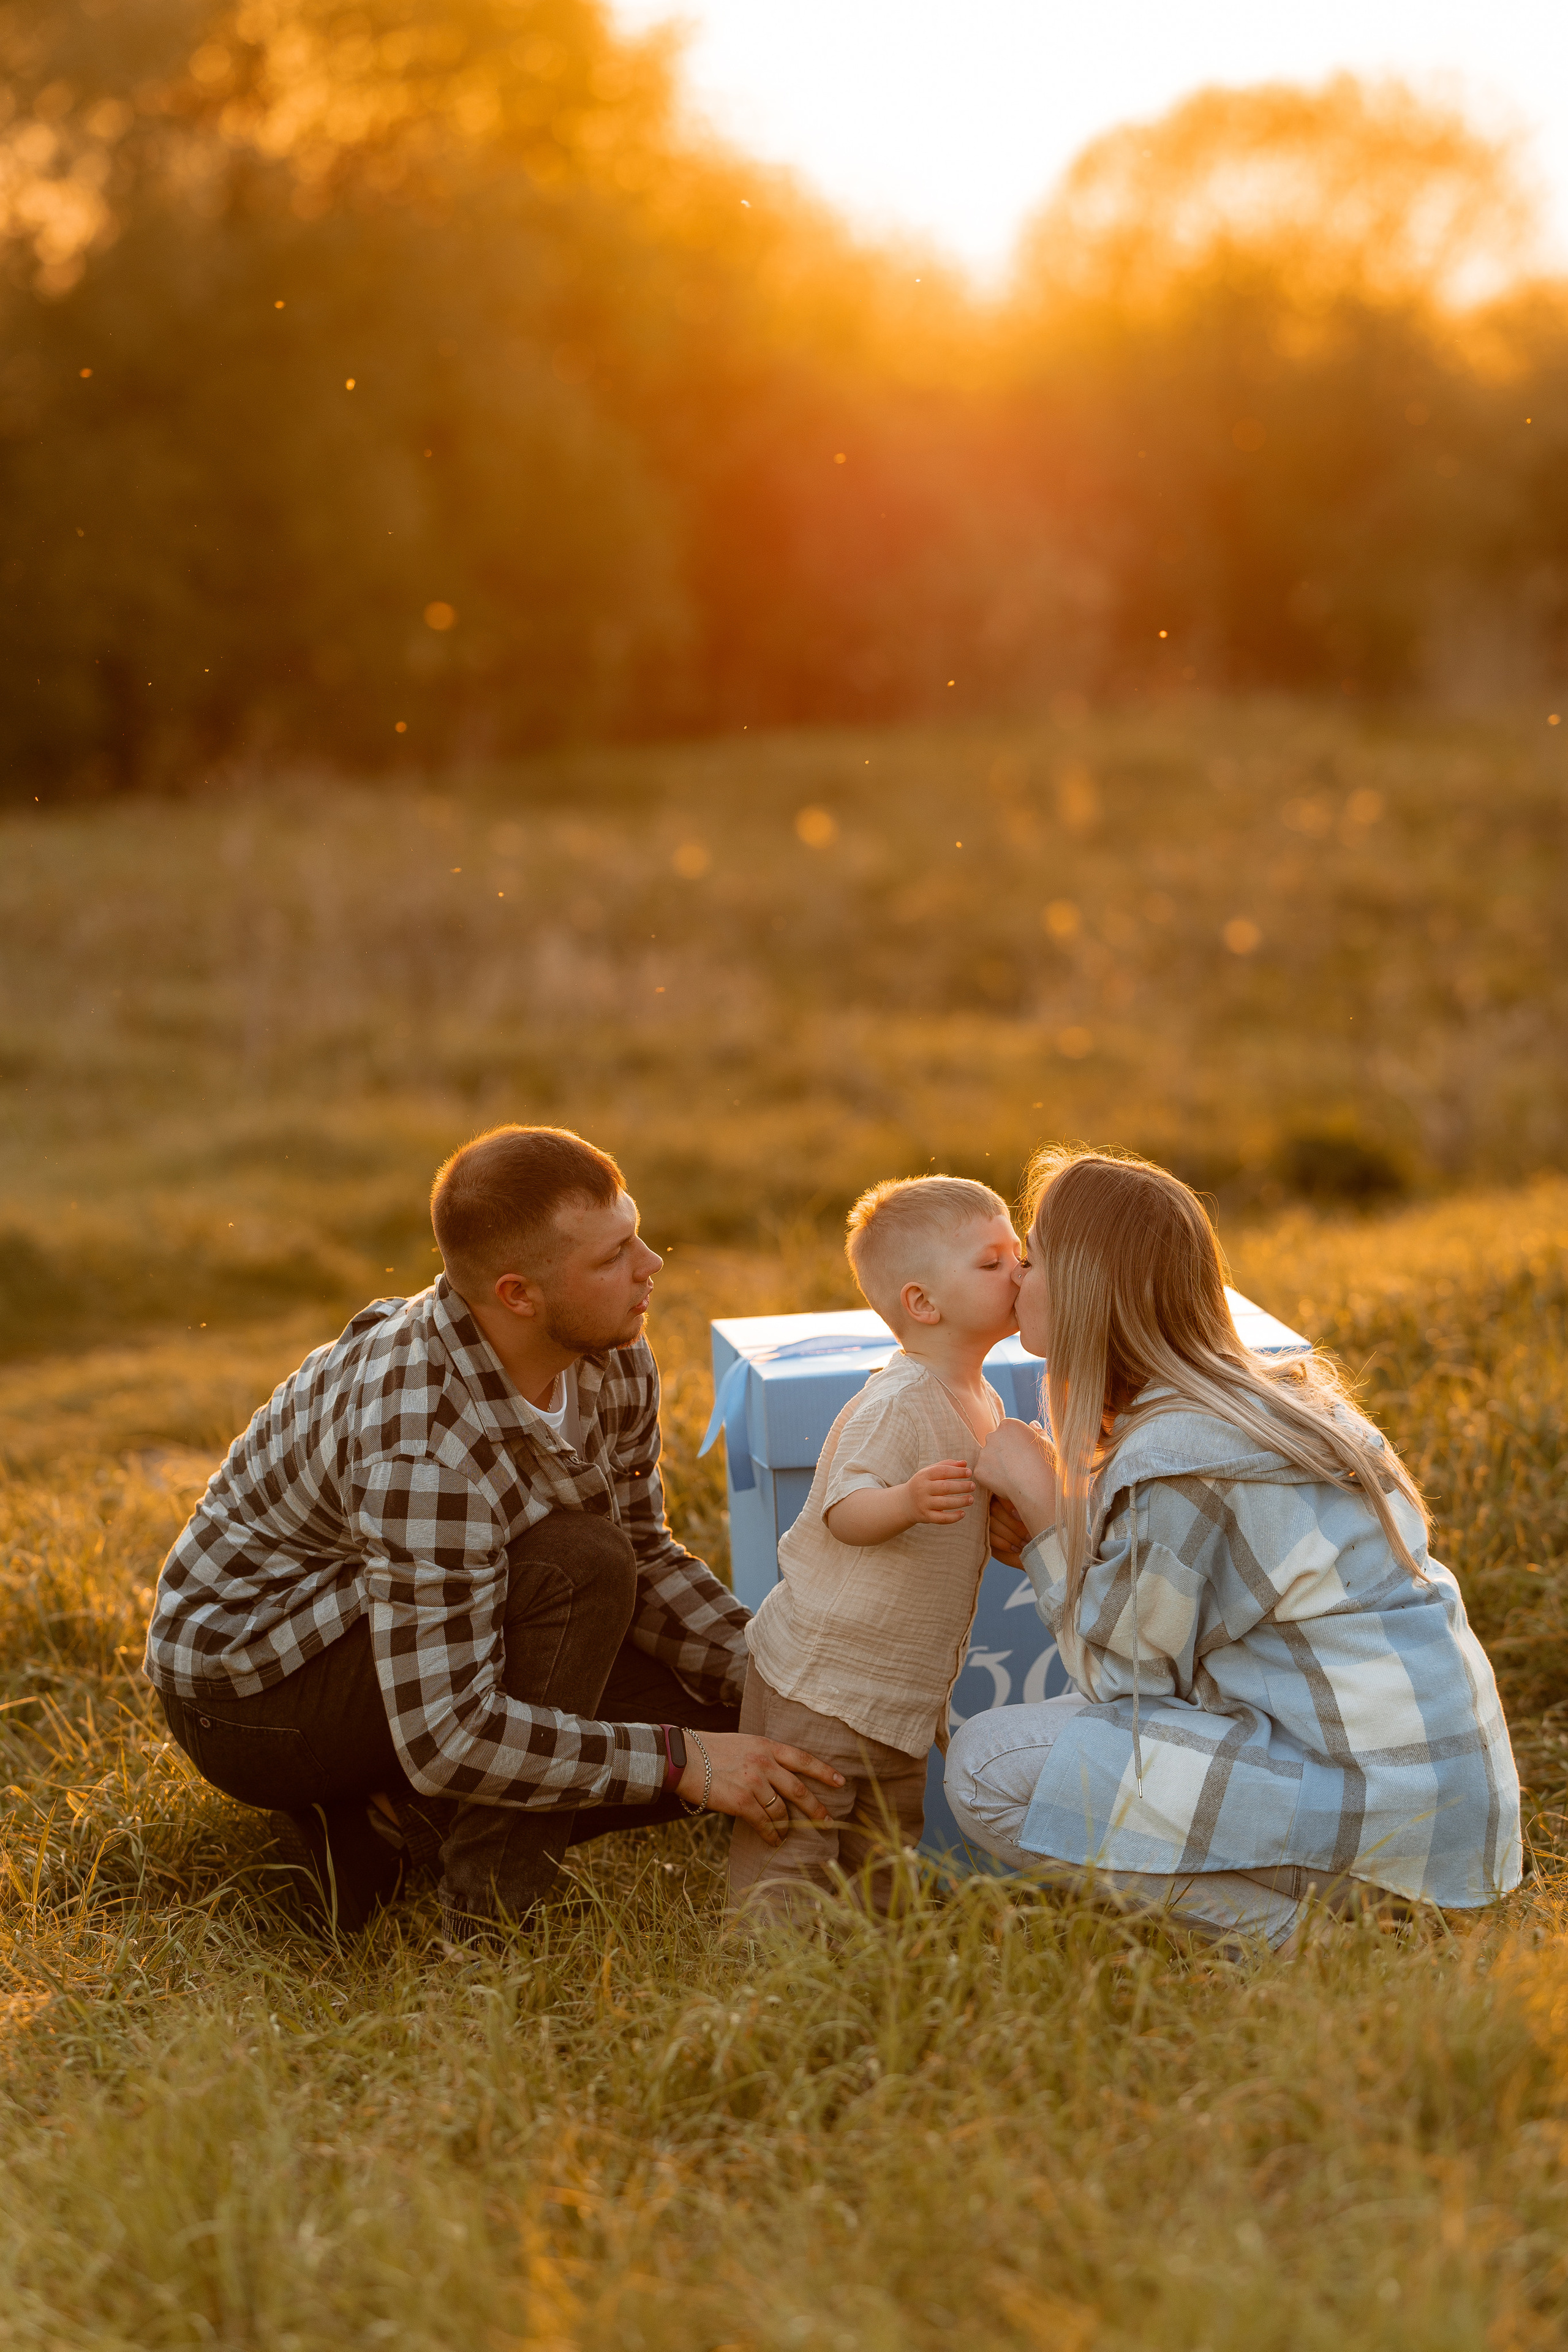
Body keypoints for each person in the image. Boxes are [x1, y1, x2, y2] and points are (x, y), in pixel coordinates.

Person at [145, 1125, 843, 1938]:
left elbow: (648, 1555)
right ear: (518, 1295)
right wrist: (682, 1763)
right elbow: (448, 1735)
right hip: (257, 1693)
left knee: (754, 1730)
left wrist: (780, 1680)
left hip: (411, 1625)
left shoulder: (610, 1355)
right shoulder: (423, 1445)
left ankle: (392, 1829)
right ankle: (488, 1924)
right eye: (613, 1256)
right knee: (585, 1569)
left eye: (636, 1234)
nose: (652, 1266)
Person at [951, 1147, 1521, 1951]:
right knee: (1049, 1738)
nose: (1014, 1281)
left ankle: (1322, 1949)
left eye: (1033, 1259)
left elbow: (1127, 1684)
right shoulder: (1260, 1406)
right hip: (1447, 1809)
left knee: (985, 1768)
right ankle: (1352, 1920)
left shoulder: (1183, 1455)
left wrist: (1047, 1513)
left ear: (1083, 1287)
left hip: (1388, 1825)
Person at [728, 1175, 1022, 1919]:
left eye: (1018, 1256)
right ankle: (774, 1976)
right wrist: (905, 1502)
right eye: (991, 1264)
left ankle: (876, 1959)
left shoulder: (983, 1397)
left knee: (886, 1840)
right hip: (827, 1677)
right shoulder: (898, 1400)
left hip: (898, 1690)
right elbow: (840, 1507)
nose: (1018, 1272)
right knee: (797, 1834)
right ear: (922, 1304)